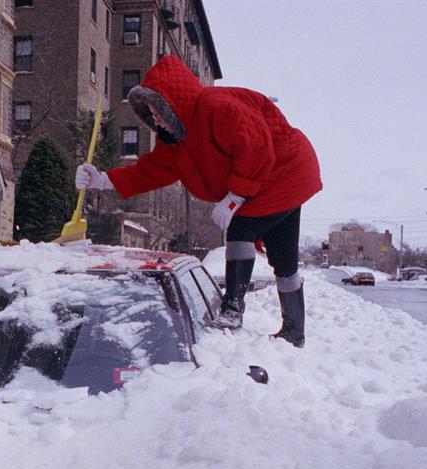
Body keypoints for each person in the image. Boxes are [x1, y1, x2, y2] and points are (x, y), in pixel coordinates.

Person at [75, 55, 321, 348]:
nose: (156, 120)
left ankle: (232, 311)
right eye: (150, 114)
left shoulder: (215, 106)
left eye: (157, 110)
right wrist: (103, 180)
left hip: (286, 169)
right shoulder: (175, 143)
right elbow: (150, 171)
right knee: (284, 259)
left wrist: (235, 198)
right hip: (274, 179)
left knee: (241, 228)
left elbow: (256, 148)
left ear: (171, 102)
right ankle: (294, 333)